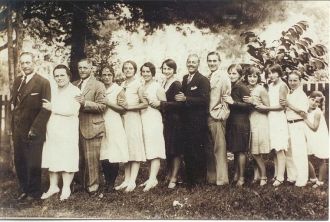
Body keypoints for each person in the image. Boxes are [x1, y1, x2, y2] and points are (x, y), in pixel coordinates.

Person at [11, 52, 51, 200]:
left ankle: (34, 192)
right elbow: (15, 105)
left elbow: (46, 109)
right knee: (20, 160)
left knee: (33, 161)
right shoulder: (17, 81)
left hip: (34, 130)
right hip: (18, 129)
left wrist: (34, 129)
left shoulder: (43, 82)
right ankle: (25, 189)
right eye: (23, 63)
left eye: (28, 62)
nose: (25, 66)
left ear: (34, 62)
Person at [41, 64, 81, 200]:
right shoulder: (51, 90)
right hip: (52, 130)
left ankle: (66, 187)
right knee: (53, 157)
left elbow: (72, 110)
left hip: (67, 130)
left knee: (67, 157)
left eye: (62, 75)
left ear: (68, 76)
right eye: (56, 76)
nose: (59, 78)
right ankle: (53, 187)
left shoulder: (75, 91)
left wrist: (53, 107)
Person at [175, 54, 210, 187]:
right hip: (186, 122)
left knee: (198, 151)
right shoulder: (185, 78)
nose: (191, 64)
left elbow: (204, 100)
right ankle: (190, 180)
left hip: (197, 122)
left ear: (198, 64)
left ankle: (199, 180)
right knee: (188, 150)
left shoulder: (203, 80)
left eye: (193, 62)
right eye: (189, 62)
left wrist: (186, 99)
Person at [73, 59, 107, 195]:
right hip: (75, 127)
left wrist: (85, 103)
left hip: (92, 127)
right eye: (80, 67)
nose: (82, 70)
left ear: (91, 68)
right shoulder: (74, 84)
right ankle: (81, 184)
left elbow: (102, 106)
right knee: (78, 158)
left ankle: (93, 186)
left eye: (85, 68)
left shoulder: (98, 85)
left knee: (91, 160)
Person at [115, 60, 148, 192]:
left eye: (130, 68)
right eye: (126, 68)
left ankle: (133, 181)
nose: (128, 70)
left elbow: (144, 103)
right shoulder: (122, 84)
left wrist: (129, 107)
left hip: (133, 119)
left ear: (134, 70)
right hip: (123, 119)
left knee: (134, 148)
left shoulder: (138, 84)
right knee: (126, 149)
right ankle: (126, 179)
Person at [99, 65, 129, 192]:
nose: (106, 77)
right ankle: (107, 181)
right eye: (104, 75)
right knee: (104, 152)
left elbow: (123, 109)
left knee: (114, 152)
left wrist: (108, 102)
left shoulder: (118, 89)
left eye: (109, 75)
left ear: (113, 76)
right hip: (100, 121)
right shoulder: (99, 88)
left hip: (114, 122)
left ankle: (111, 182)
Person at [258, 64, 289, 187]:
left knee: (280, 147)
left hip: (279, 118)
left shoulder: (282, 86)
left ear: (279, 73)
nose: (271, 75)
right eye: (269, 73)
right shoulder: (270, 86)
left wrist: (267, 108)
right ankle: (276, 174)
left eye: (273, 73)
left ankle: (281, 177)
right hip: (271, 118)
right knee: (274, 149)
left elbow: (282, 106)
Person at [223, 64, 252, 186]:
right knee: (235, 150)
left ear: (240, 75)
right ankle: (236, 175)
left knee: (240, 151)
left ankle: (241, 178)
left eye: (234, 73)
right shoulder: (232, 86)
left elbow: (249, 106)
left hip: (241, 122)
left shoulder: (242, 87)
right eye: (229, 73)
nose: (231, 75)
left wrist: (233, 102)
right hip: (232, 121)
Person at [139, 62, 167, 191]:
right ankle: (152, 178)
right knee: (148, 148)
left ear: (153, 73)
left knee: (154, 148)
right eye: (143, 71)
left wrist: (155, 103)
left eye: (148, 72)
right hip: (143, 118)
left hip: (154, 119)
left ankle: (152, 179)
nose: (145, 74)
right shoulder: (142, 86)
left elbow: (164, 105)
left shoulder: (157, 87)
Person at [205, 52, 231, 186]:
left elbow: (226, 96)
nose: (212, 63)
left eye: (215, 61)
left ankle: (222, 179)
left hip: (217, 115)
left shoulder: (223, 76)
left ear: (219, 62)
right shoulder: (208, 76)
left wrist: (221, 114)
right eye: (209, 61)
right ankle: (212, 178)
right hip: (207, 116)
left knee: (219, 148)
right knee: (209, 148)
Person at [280, 70, 309, 187]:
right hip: (288, 124)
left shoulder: (301, 95)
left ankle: (302, 179)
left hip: (298, 124)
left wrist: (288, 104)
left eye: (295, 80)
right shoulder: (290, 93)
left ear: (300, 81)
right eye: (290, 80)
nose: (292, 83)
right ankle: (292, 176)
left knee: (299, 152)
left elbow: (303, 113)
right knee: (289, 152)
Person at [242, 66, 270, 186]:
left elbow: (267, 108)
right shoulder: (246, 88)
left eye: (255, 76)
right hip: (249, 120)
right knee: (252, 150)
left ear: (258, 77)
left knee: (257, 152)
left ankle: (264, 176)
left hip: (259, 120)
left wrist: (253, 102)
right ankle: (256, 175)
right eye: (250, 76)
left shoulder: (261, 89)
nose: (252, 79)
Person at [160, 59, 184, 189]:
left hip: (175, 120)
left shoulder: (177, 84)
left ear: (174, 70)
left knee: (175, 149)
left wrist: (163, 104)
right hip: (167, 120)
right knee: (168, 148)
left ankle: (174, 177)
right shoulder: (164, 82)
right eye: (164, 68)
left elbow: (180, 104)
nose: (166, 71)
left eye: (169, 69)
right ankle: (169, 174)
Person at [301, 91, 329, 188]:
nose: (314, 103)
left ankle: (320, 181)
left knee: (322, 159)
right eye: (312, 100)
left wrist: (305, 118)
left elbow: (314, 127)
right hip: (311, 137)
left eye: (317, 102)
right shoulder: (306, 109)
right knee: (306, 158)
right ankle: (313, 178)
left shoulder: (317, 112)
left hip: (320, 137)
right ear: (308, 98)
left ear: (319, 104)